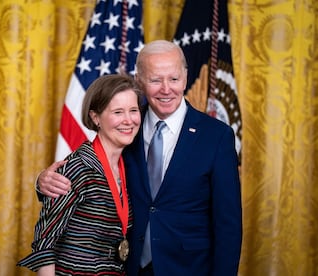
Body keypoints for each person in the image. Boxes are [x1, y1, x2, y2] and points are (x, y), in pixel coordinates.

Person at [38, 40, 242, 275]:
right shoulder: (126, 127)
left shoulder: (216, 136)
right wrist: (42, 182)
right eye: (155, 80)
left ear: (185, 78)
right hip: (127, 266)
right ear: (139, 80)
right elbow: (89, 170)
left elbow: (228, 225)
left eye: (174, 79)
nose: (166, 89)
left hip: (189, 267)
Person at [17, 74, 142, 275]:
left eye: (133, 110)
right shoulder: (77, 168)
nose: (128, 120)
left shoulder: (129, 165)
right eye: (118, 112)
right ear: (95, 117)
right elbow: (45, 242)